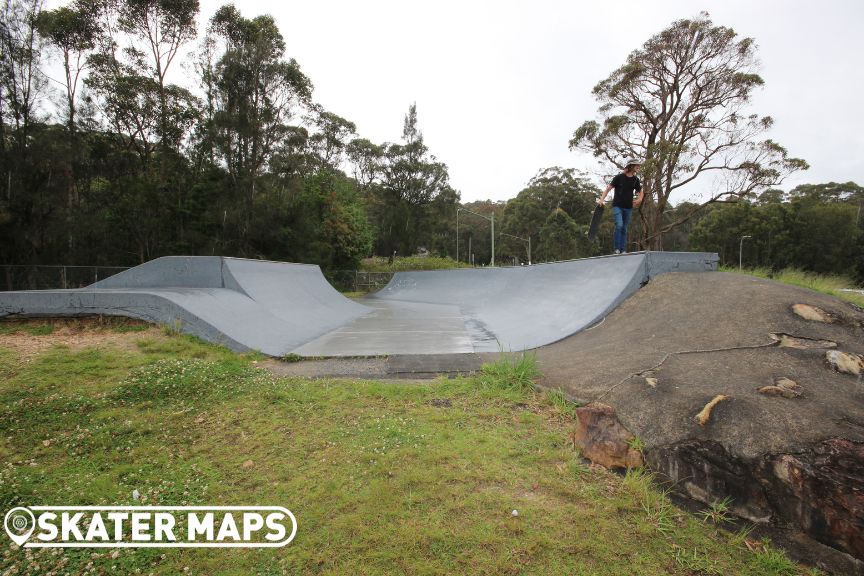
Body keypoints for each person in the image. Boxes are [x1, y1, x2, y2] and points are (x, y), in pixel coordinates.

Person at [598, 158, 644, 254]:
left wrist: (640, 199)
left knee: (624, 228)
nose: (639, 167)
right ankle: (617, 249)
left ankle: (623, 249)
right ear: (631, 166)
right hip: (617, 206)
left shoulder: (636, 180)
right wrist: (602, 200)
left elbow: (640, 192)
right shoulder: (619, 177)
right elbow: (608, 189)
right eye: (637, 165)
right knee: (619, 225)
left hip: (628, 207)